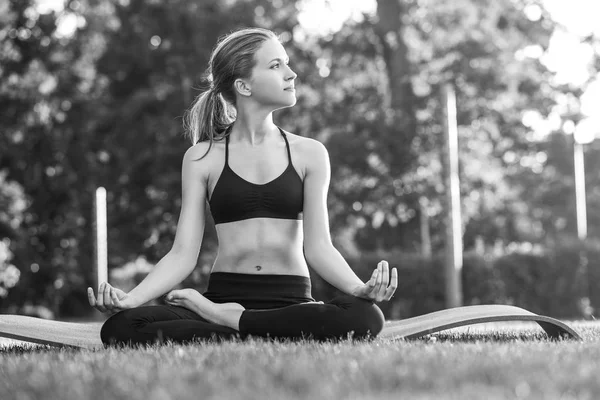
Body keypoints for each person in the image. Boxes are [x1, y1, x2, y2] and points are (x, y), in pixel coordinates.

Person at [88, 27, 398, 347]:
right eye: (276, 65)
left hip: (289, 300)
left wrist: (358, 289)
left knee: (366, 317)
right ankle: (258, 327)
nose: (291, 74)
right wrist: (132, 299)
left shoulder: (310, 153)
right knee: (121, 326)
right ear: (243, 85)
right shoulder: (202, 158)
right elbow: (183, 253)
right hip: (225, 295)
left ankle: (232, 324)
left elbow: (319, 247)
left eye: (287, 64)